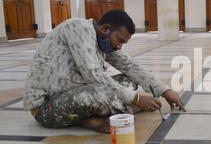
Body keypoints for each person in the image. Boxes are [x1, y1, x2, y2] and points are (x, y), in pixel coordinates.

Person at [23, 10, 183, 133]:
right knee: (102, 91)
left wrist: (165, 90)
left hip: (76, 94)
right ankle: (90, 120)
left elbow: (130, 66)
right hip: (48, 108)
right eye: (120, 40)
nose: (120, 46)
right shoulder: (78, 28)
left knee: (130, 81)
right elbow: (93, 75)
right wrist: (136, 99)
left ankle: (97, 115)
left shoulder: (102, 39)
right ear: (106, 29)